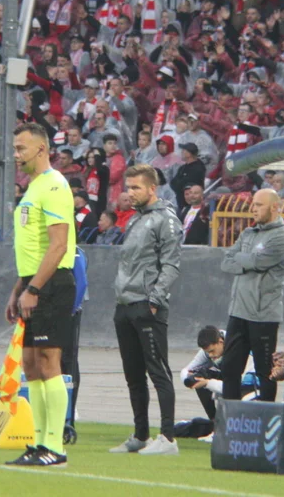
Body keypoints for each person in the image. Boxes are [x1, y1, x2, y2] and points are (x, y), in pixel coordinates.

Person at [3, 123, 77, 468]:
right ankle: (36, 443)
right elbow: (30, 248)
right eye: (15, 149)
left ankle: (55, 447)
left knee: (49, 361)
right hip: (33, 283)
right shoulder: (33, 187)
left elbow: (59, 245)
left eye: (21, 149)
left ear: (41, 150)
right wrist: (18, 289)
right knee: (31, 365)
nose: (16, 155)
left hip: (52, 283)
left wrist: (34, 289)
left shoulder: (54, 185)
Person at [110, 164, 182, 455]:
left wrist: (155, 299)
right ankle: (141, 434)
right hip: (125, 304)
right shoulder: (134, 220)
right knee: (133, 375)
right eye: (128, 187)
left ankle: (167, 438)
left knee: (158, 371)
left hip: (147, 305)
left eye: (136, 187)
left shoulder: (166, 219)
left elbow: (172, 264)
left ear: (152, 188)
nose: (130, 193)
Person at [218, 188, 284, 402]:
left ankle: (265, 421)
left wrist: (243, 259)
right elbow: (226, 261)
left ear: (274, 207)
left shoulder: (282, 236)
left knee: (264, 373)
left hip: (263, 315)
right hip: (238, 312)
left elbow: (258, 263)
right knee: (229, 370)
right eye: (253, 204)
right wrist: (247, 260)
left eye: (259, 205)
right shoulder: (248, 233)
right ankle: (230, 420)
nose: (253, 209)